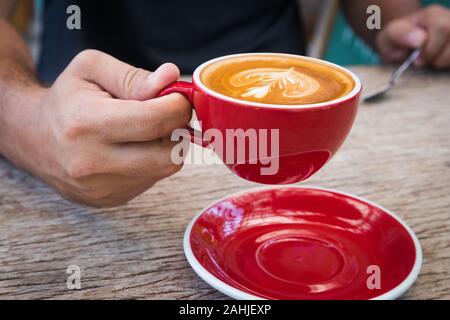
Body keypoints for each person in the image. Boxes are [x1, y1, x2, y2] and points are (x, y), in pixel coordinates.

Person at [0, 0, 449, 207]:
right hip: (86, 112)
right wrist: (26, 117)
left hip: (293, 129)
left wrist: (401, 28)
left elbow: (376, 10)